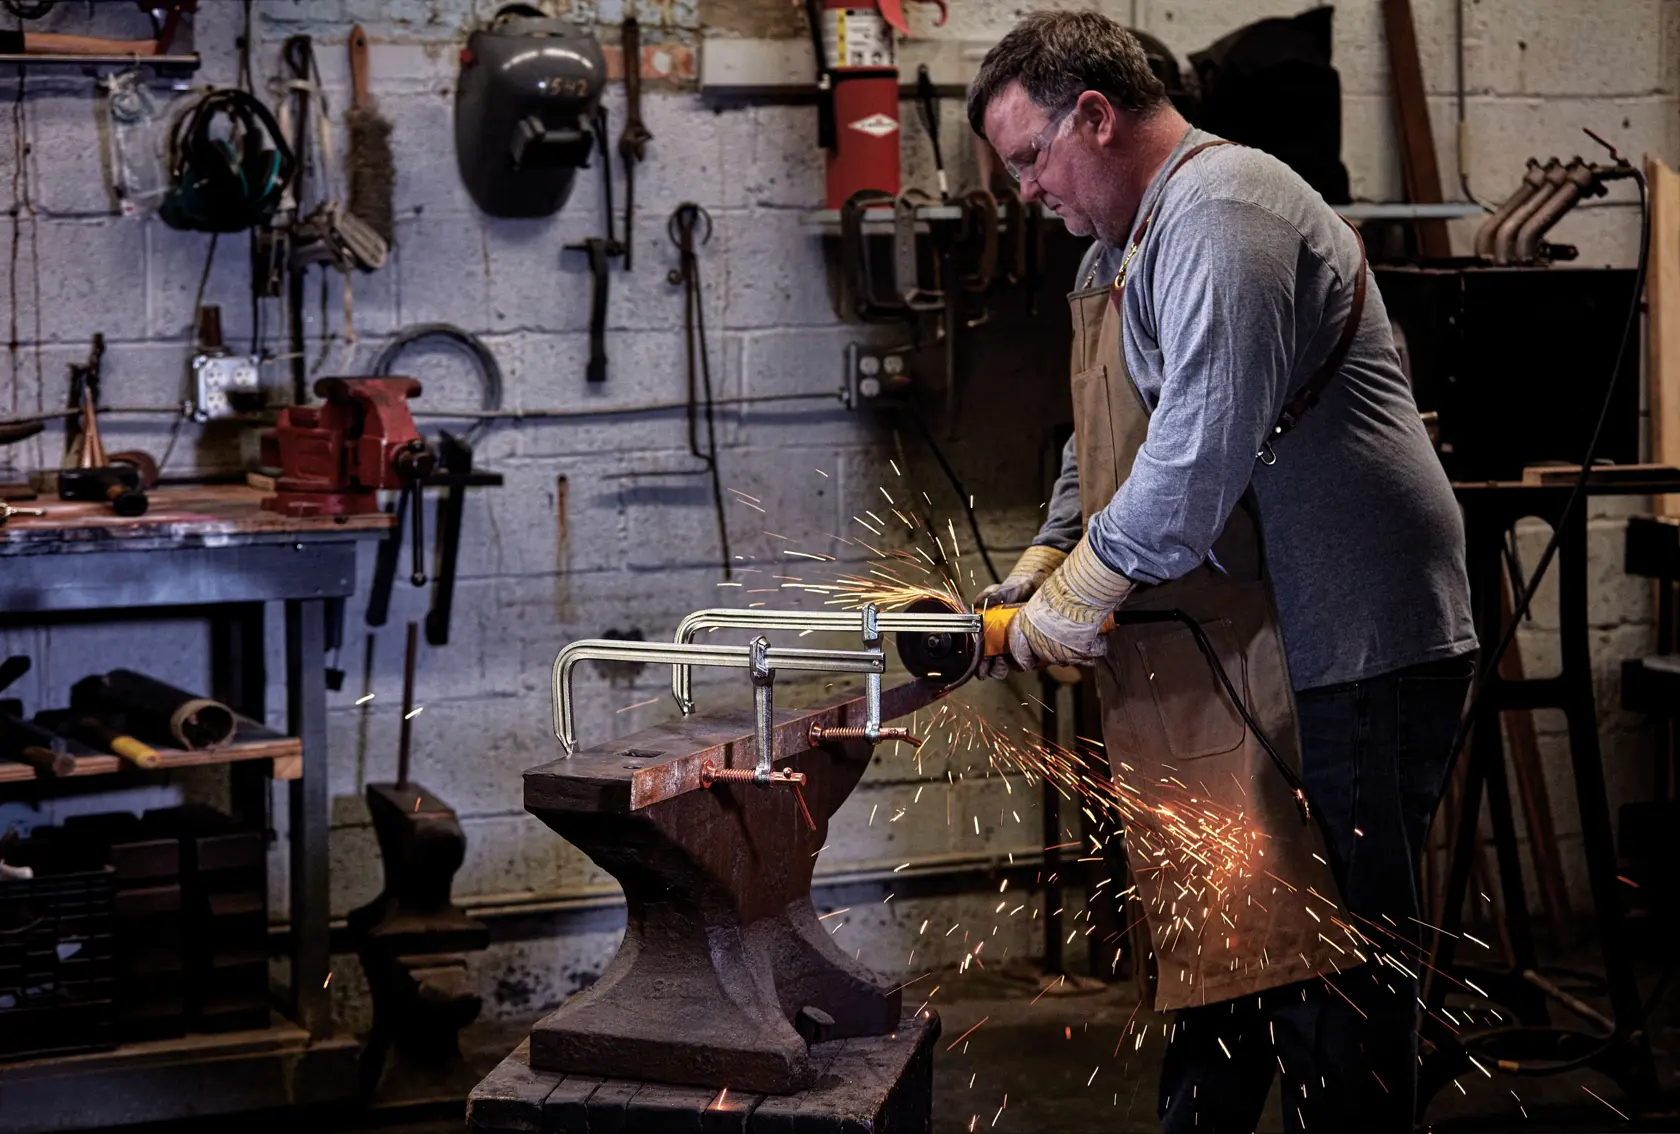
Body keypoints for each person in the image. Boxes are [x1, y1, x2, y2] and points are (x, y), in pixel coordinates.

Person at [966, 12, 1476, 1133]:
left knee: (1333, 975)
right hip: (1268, 641)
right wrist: (1052, 551)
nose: (1025, 193)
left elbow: (1192, 455)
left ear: (1093, 117)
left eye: (1027, 159)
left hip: (1359, 643)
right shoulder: (1126, 245)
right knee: (1236, 955)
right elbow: (1107, 434)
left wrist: (1082, 597)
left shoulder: (1224, 213)